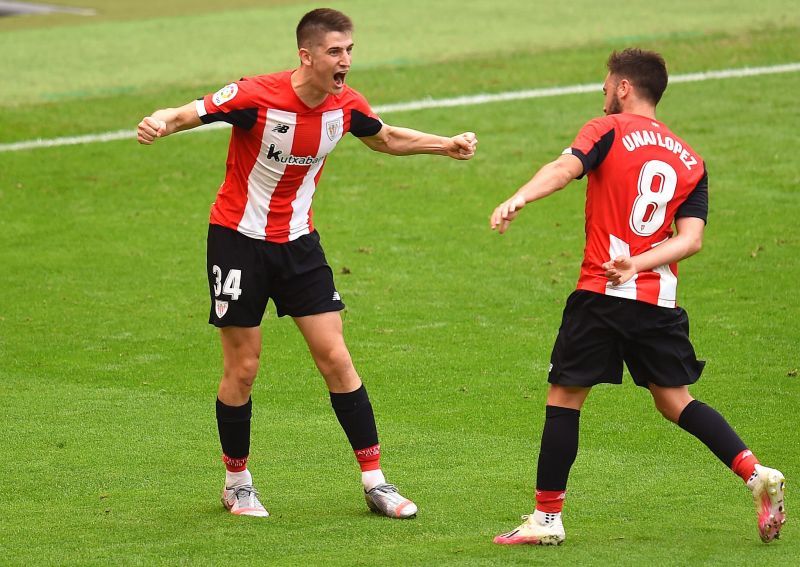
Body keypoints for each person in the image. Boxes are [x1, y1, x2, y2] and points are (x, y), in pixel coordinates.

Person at [136, 7, 477, 519]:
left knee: (336, 358)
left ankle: (376, 482)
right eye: (336, 52)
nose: (346, 62)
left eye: (350, 51)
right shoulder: (256, 95)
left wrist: (443, 145)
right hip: (237, 242)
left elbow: (383, 137)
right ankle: (237, 481)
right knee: (243, 368)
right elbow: (191, 112)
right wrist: (159, 122)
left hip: (299, 245)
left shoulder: (346, 106)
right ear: (307, 55)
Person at [489, 48, 785, 545]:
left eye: (607, 84)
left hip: (601, 292)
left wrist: (520, 195)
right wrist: (642, 263)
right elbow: (690, 240)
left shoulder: (606, 130)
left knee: (564, 398)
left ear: (624, 87)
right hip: (658, 301)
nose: (603, 92)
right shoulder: (691, 158)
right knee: (675, 401)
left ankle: (546, 519)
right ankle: (756, 473)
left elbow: (565, 168)